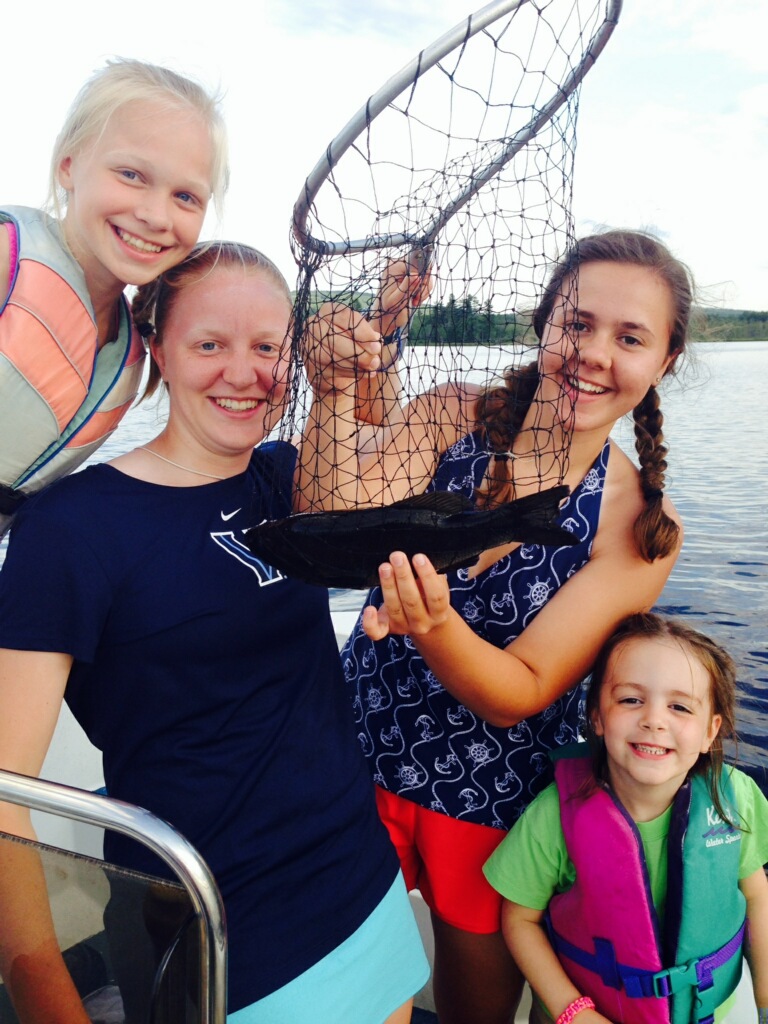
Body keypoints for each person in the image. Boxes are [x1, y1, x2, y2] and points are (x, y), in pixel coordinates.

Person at [0, 241, 429, 1023]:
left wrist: (377, 336)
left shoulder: (288, 478)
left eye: (268, 347)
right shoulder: (71, 528)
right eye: (209, 345)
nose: (244, 373)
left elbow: (376, 446)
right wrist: (44, 998)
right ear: (157, 348)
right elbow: (4, 791)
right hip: (223, 929)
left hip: (361, 878)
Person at [339, 230, 695, 1024]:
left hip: (492, 804)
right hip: (352, 763)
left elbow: (522, 690)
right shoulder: (448, 414)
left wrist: (431, 621)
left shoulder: (640, 526)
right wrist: (372, 346)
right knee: (349, 994)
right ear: (544, 324)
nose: (593, 354)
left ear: (665, 360)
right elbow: (352, 496)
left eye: (630, 338)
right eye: (577, 323)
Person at [483, 612, 768, 1024]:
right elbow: (519, 918)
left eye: (679, 707)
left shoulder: (737, 798)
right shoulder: (553, 815)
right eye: (631, 700)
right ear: (597, 717)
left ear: (711, 731)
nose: (654, 720)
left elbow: (756, 895)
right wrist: (573, 1013)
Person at [0, 56, 229, 536]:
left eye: (185, 197)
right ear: (68, 165)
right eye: (131, 175)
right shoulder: (7, 258)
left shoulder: (132, 349)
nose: (155, 216)